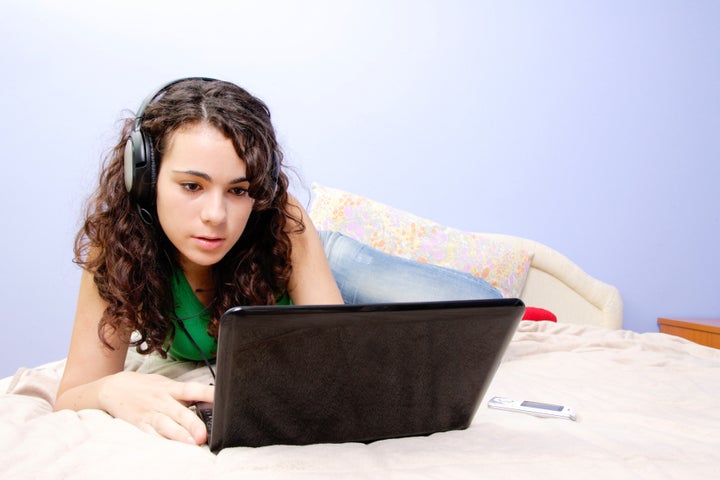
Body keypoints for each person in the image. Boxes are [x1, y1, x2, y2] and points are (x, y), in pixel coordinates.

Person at [54, 78, 501, 446]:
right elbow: (72, 392)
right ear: (145, 179)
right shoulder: (119, 248)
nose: (216, 216)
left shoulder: (283, 223)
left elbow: (334, 361)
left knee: (484, 304)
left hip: (322, 263)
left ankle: (342, 251)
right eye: (192, 186)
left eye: (239, 190)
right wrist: (112, 388)